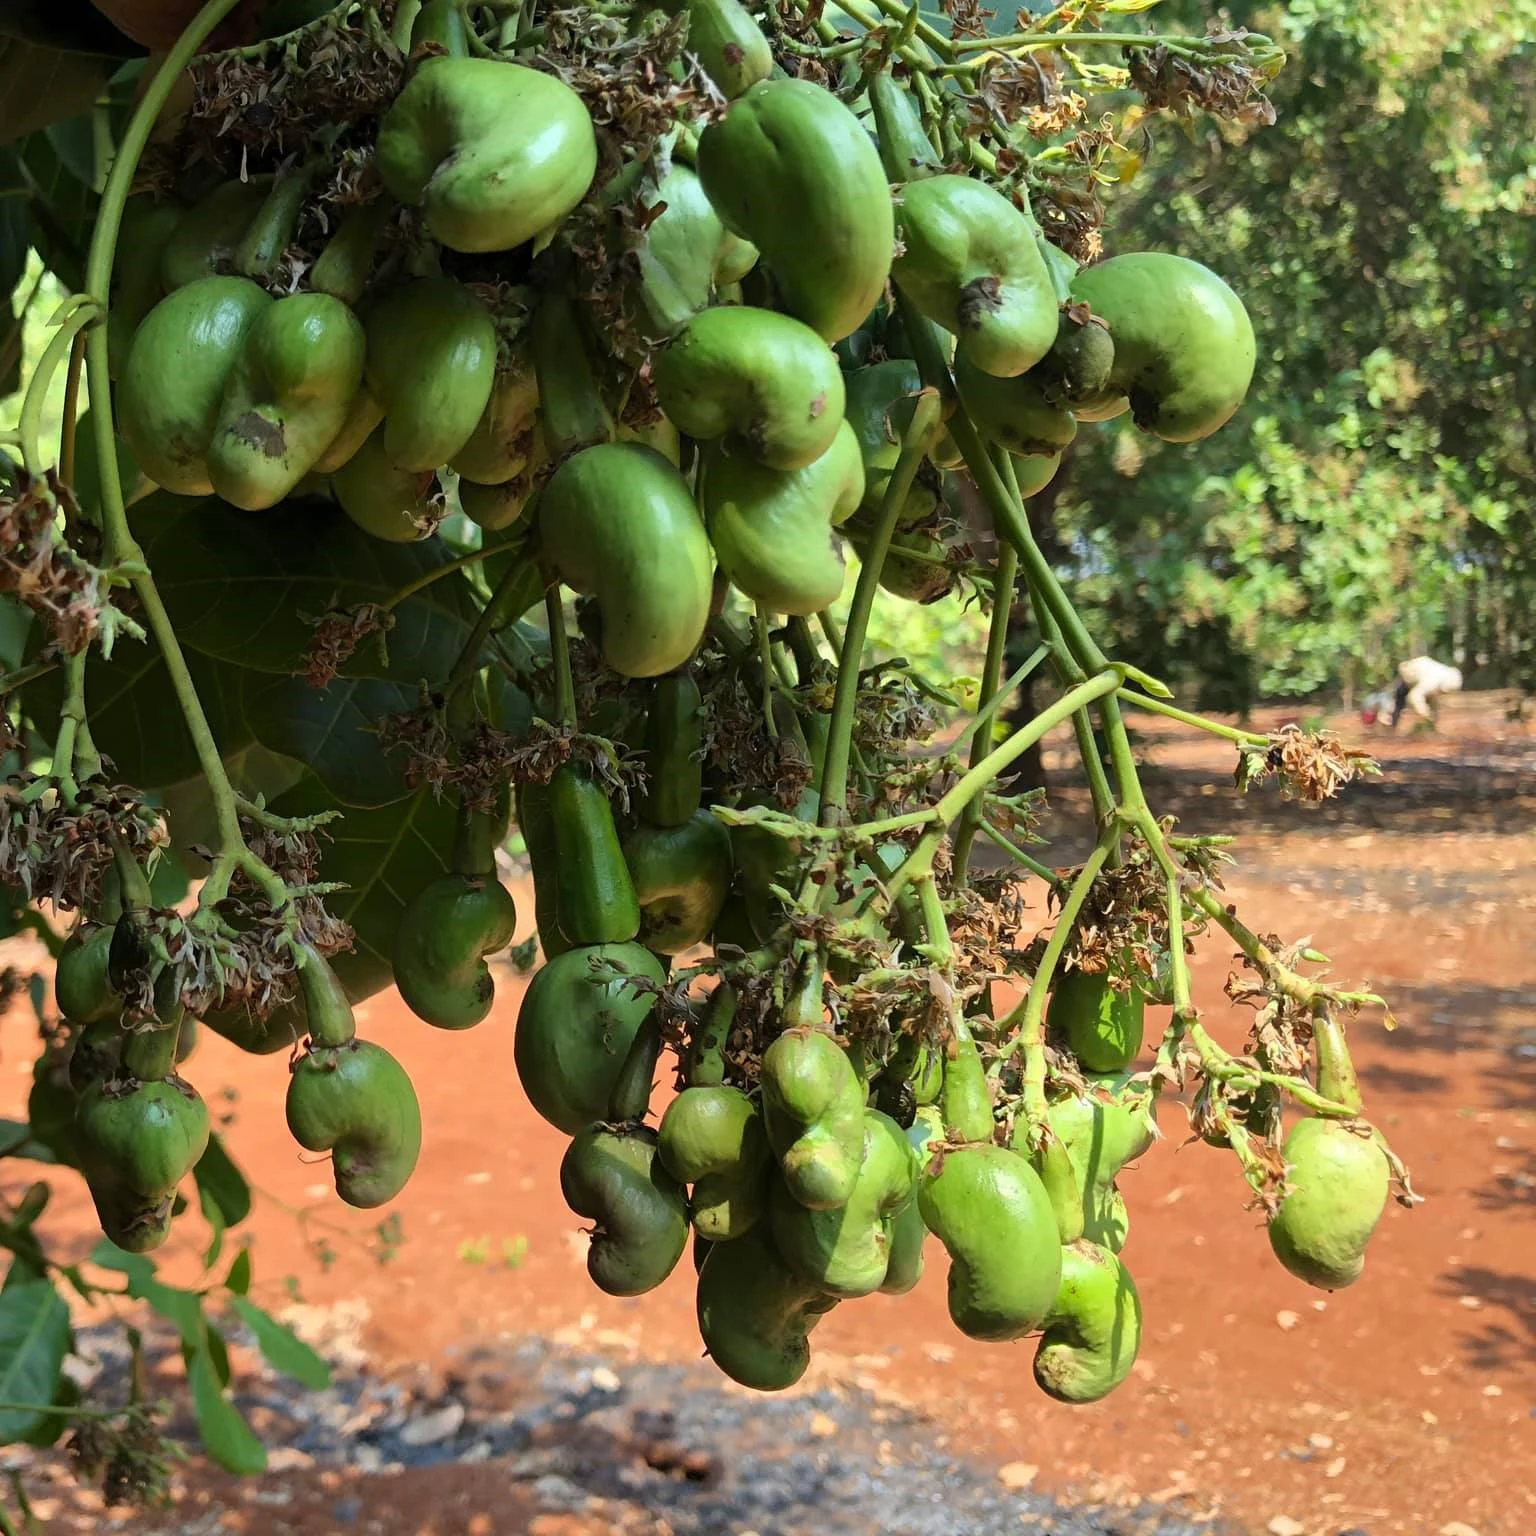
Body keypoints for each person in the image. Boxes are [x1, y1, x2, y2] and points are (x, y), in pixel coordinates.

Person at [1389, 655, 1463, 727]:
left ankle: (1427, 726)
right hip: (1409, 674)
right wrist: (1427, 714)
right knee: (1401, 699)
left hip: (1420, 669)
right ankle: (1391, 726)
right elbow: (1414, 696)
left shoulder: (1444, 675)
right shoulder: (1432, 681)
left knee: (1429, 700)